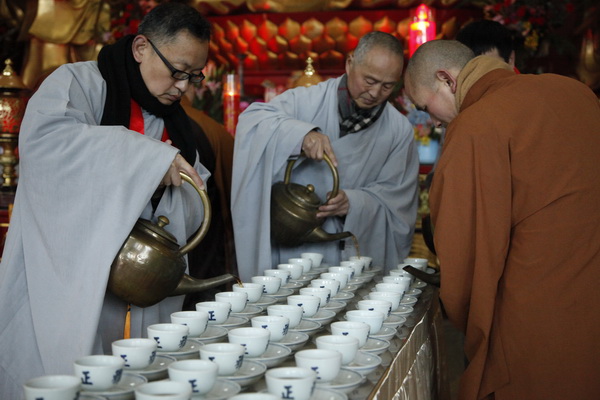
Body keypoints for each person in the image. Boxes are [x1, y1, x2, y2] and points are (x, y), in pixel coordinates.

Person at [0, 3, 214, 396]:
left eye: (194, 76)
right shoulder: (76, 84)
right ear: (141, 49)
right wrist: (148, 159)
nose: (184, 86)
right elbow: (47, 146)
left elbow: (192, 201)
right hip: (66, 275)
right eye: (177, 72)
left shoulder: (178, 124)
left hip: (136, 284)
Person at [404, 39, 600, 400]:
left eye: (424, 107)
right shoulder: (576, 92)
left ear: (447, 79)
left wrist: (464, 314)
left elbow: (467, 253)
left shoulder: (476, 125)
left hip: (537, 323)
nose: (430, 120)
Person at [231, 31, 420, 280]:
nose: (375, 93)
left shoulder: (398, 131)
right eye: (369, 80)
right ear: (349, 63)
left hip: (351, 258)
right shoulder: (304, 102)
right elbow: (251, 121)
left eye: (387, 86)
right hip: (291, 254)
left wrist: (354, 202)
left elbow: (398, 205)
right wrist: (300, 135)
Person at [455, 19, 521, 71]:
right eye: (471, 72)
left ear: (510, 60)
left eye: (489, 70)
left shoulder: (527, 87)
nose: (483, 79)